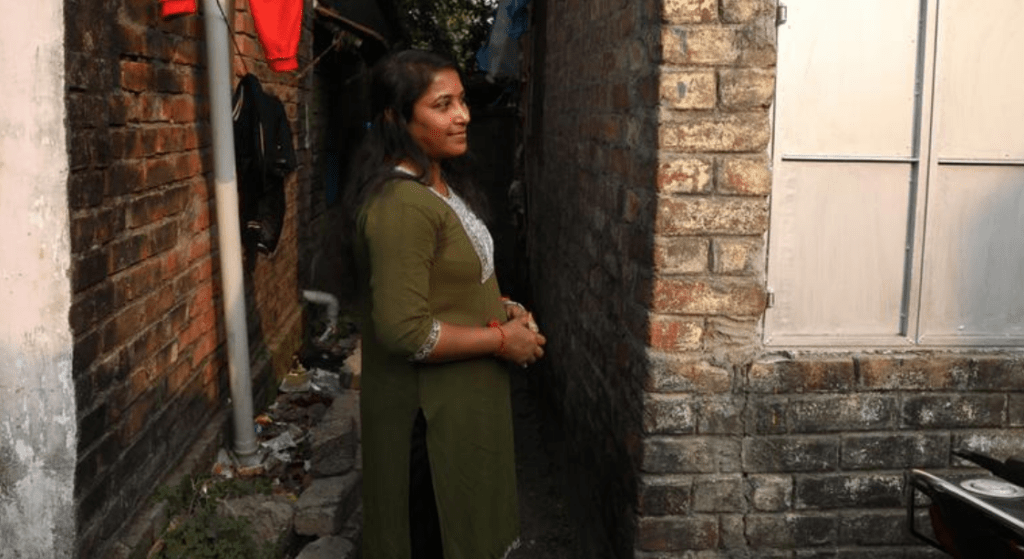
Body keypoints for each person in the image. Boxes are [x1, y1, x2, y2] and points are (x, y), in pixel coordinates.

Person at [345, 49, 547, 559]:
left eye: (462, 101)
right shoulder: (401, 206)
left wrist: (502, 306)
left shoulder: (437, 186)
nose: (463, 115)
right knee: (435, 538)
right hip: (427, 426)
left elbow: (448, 281)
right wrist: (502, 341)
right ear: (396, 118)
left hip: (461, 411)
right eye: (443, 105)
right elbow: (405, 331)